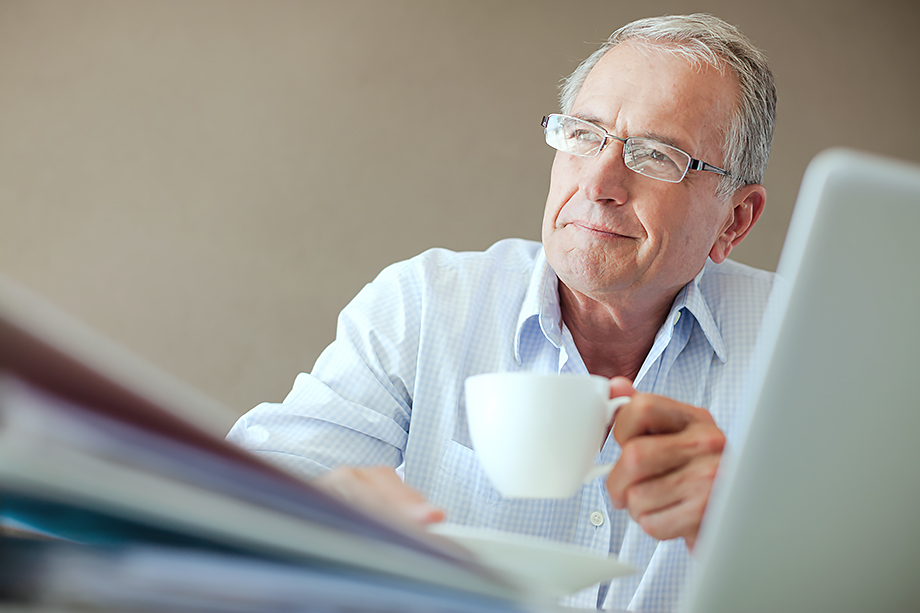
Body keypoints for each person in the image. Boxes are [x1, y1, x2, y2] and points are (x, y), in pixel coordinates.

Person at [227, 13, 777, 612]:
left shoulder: (805, 347)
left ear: (735, 220)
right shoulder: (425, 304)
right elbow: (229, 501)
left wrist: (753, 534)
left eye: (656, 155)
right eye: (584, 135)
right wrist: (318, 512)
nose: (599, 182)